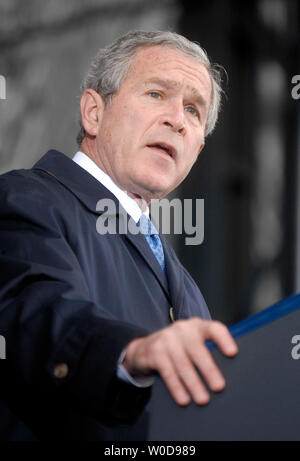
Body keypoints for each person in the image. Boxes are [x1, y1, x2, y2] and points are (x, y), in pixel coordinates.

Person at [0, 30, 238, 441]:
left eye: (194, 111)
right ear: (94, 112)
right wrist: (131, 353)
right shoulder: (25, 199)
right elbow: (38, 311)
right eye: (156, 94)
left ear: (197, 151)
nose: (177, 120)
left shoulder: (185, 285)